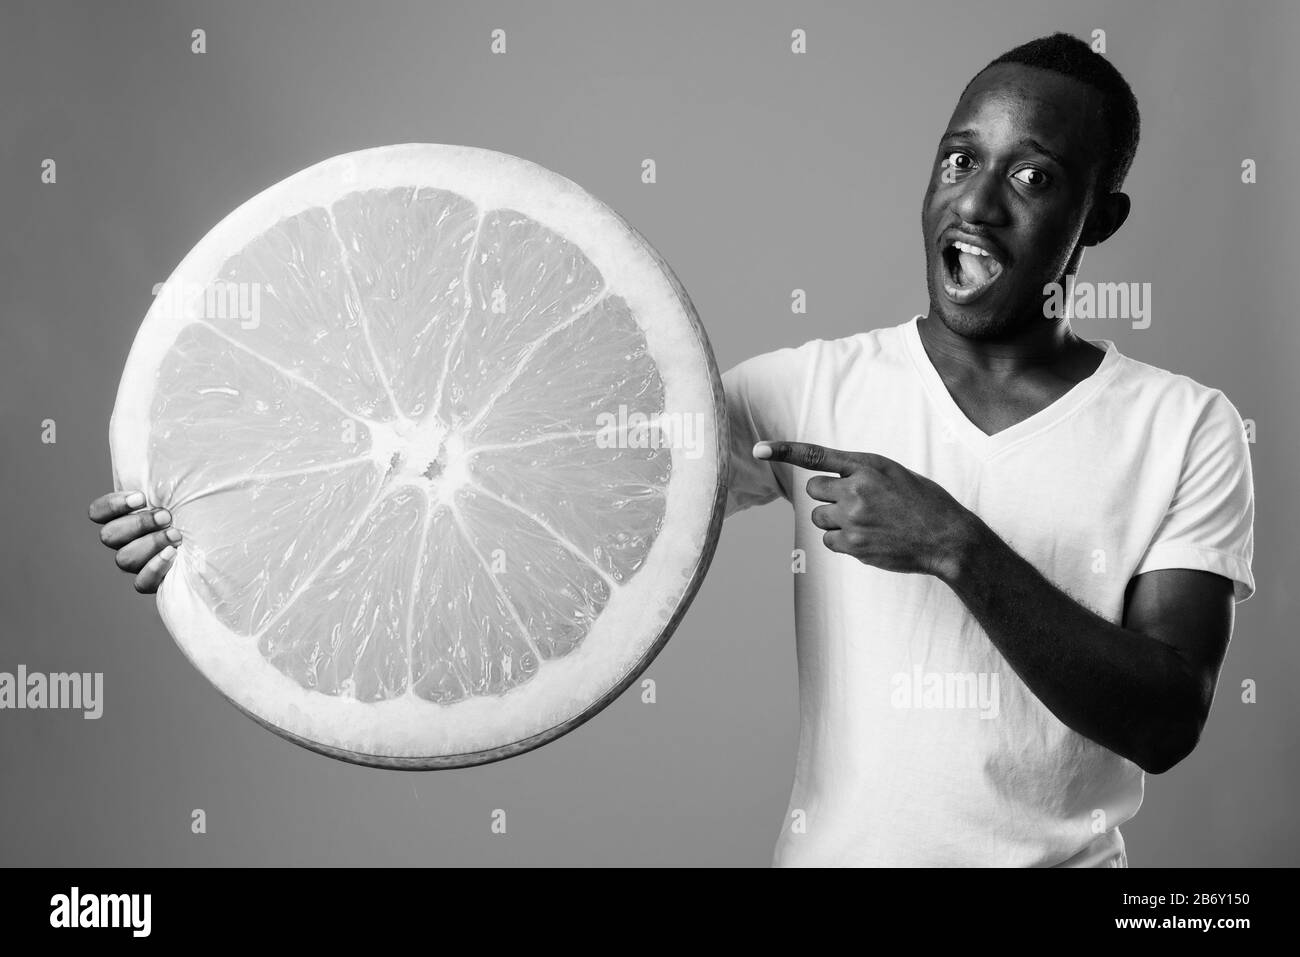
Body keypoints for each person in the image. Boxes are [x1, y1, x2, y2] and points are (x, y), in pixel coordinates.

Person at [90, 33, 1255, 867]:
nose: (978, 203)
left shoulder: (1186, 426)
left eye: (1034, 175)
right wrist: (211, 527)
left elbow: (1164, 716)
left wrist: (955, 546)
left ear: (1097, 219)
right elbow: (525, 457)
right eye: (959, 159)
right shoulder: (809, 390)